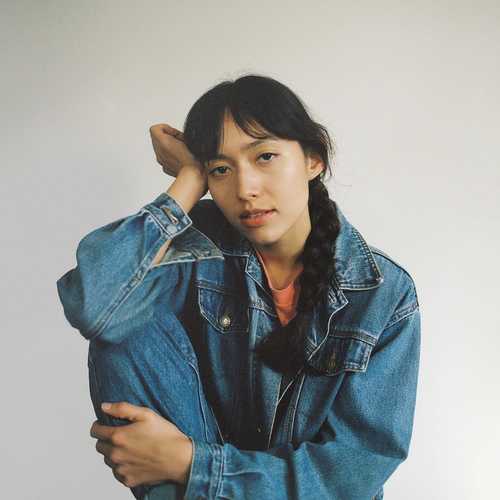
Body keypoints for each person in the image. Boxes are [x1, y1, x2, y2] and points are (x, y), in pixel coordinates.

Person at [56, 74, 421, 500]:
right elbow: (96, 305)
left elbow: (350, 474)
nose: (245, 189)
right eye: (221, 169)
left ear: (313, 160)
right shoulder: (200, 246)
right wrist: (187, 183)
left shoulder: (382, 293)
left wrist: (191, 464)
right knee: (122, 327)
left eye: (265, 156)